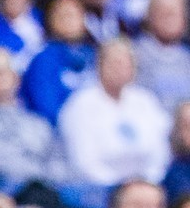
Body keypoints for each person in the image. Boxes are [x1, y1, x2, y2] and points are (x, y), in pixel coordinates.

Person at [58, 39, 171, 187]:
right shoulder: (80, 105)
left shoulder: (145, 100)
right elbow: (83, 162)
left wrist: (149, 181)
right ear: (99, 66)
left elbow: (161, 152)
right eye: (115, 63)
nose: (120, 69)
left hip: (148, 185)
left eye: (126, 64)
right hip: (97, 188)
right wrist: (120, 188)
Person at [0, 48, 63, 192]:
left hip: (47, 181)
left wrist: (56, 176)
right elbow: (0, 160)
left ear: (16, 78)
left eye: (3, 71)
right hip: (5, 185)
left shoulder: (28, 110)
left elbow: (54, 149)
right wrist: (47, 176)